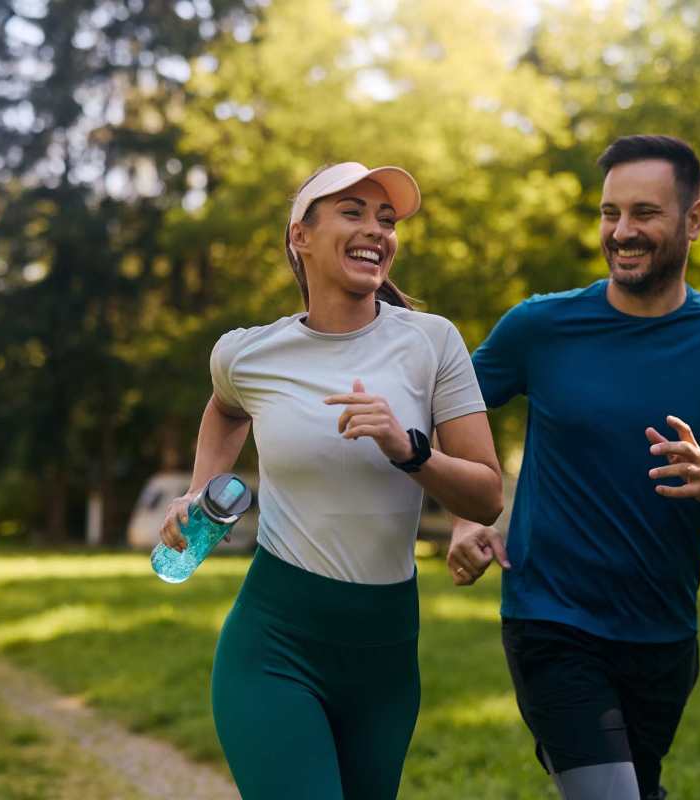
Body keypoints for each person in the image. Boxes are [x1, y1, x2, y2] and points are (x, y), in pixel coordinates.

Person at [448, 135, 700, 800]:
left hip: (663, 632)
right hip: (551, 618)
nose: (622, 232)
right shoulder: (541, 326)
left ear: (693, 220)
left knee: (638, 791)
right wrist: (470, 512)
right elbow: (451, 408)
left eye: (645, 213)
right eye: (610, 214)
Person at [158, 161, 503, 800]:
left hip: (385, 653)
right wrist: (199, 488)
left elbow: (485, 492)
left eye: (387, 220)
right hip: (275, 644)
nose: (376, 230)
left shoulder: (433, 344)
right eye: (353, 212)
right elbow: (225, 407)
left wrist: (409, 449)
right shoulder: (248, 353)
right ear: (301, 237)